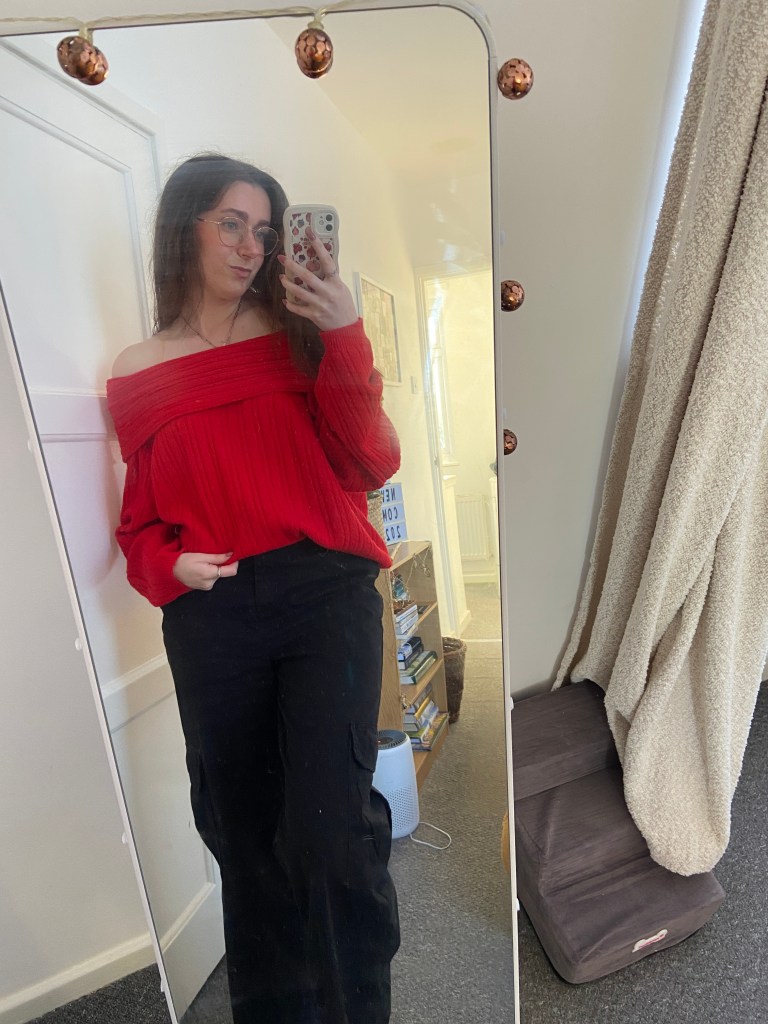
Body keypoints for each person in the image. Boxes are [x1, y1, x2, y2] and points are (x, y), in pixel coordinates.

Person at [106, 154, 401, 1024]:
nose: (250, 247)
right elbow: (139, 523)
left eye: (264, 231)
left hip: (324, 593)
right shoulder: (137, 369)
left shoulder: (301, 332)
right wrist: (170, 566)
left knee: (330, 830)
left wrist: (344, 332)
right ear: (184, 229)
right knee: (241, 832)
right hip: (214, 614)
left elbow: (371, 460)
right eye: (230, 224)